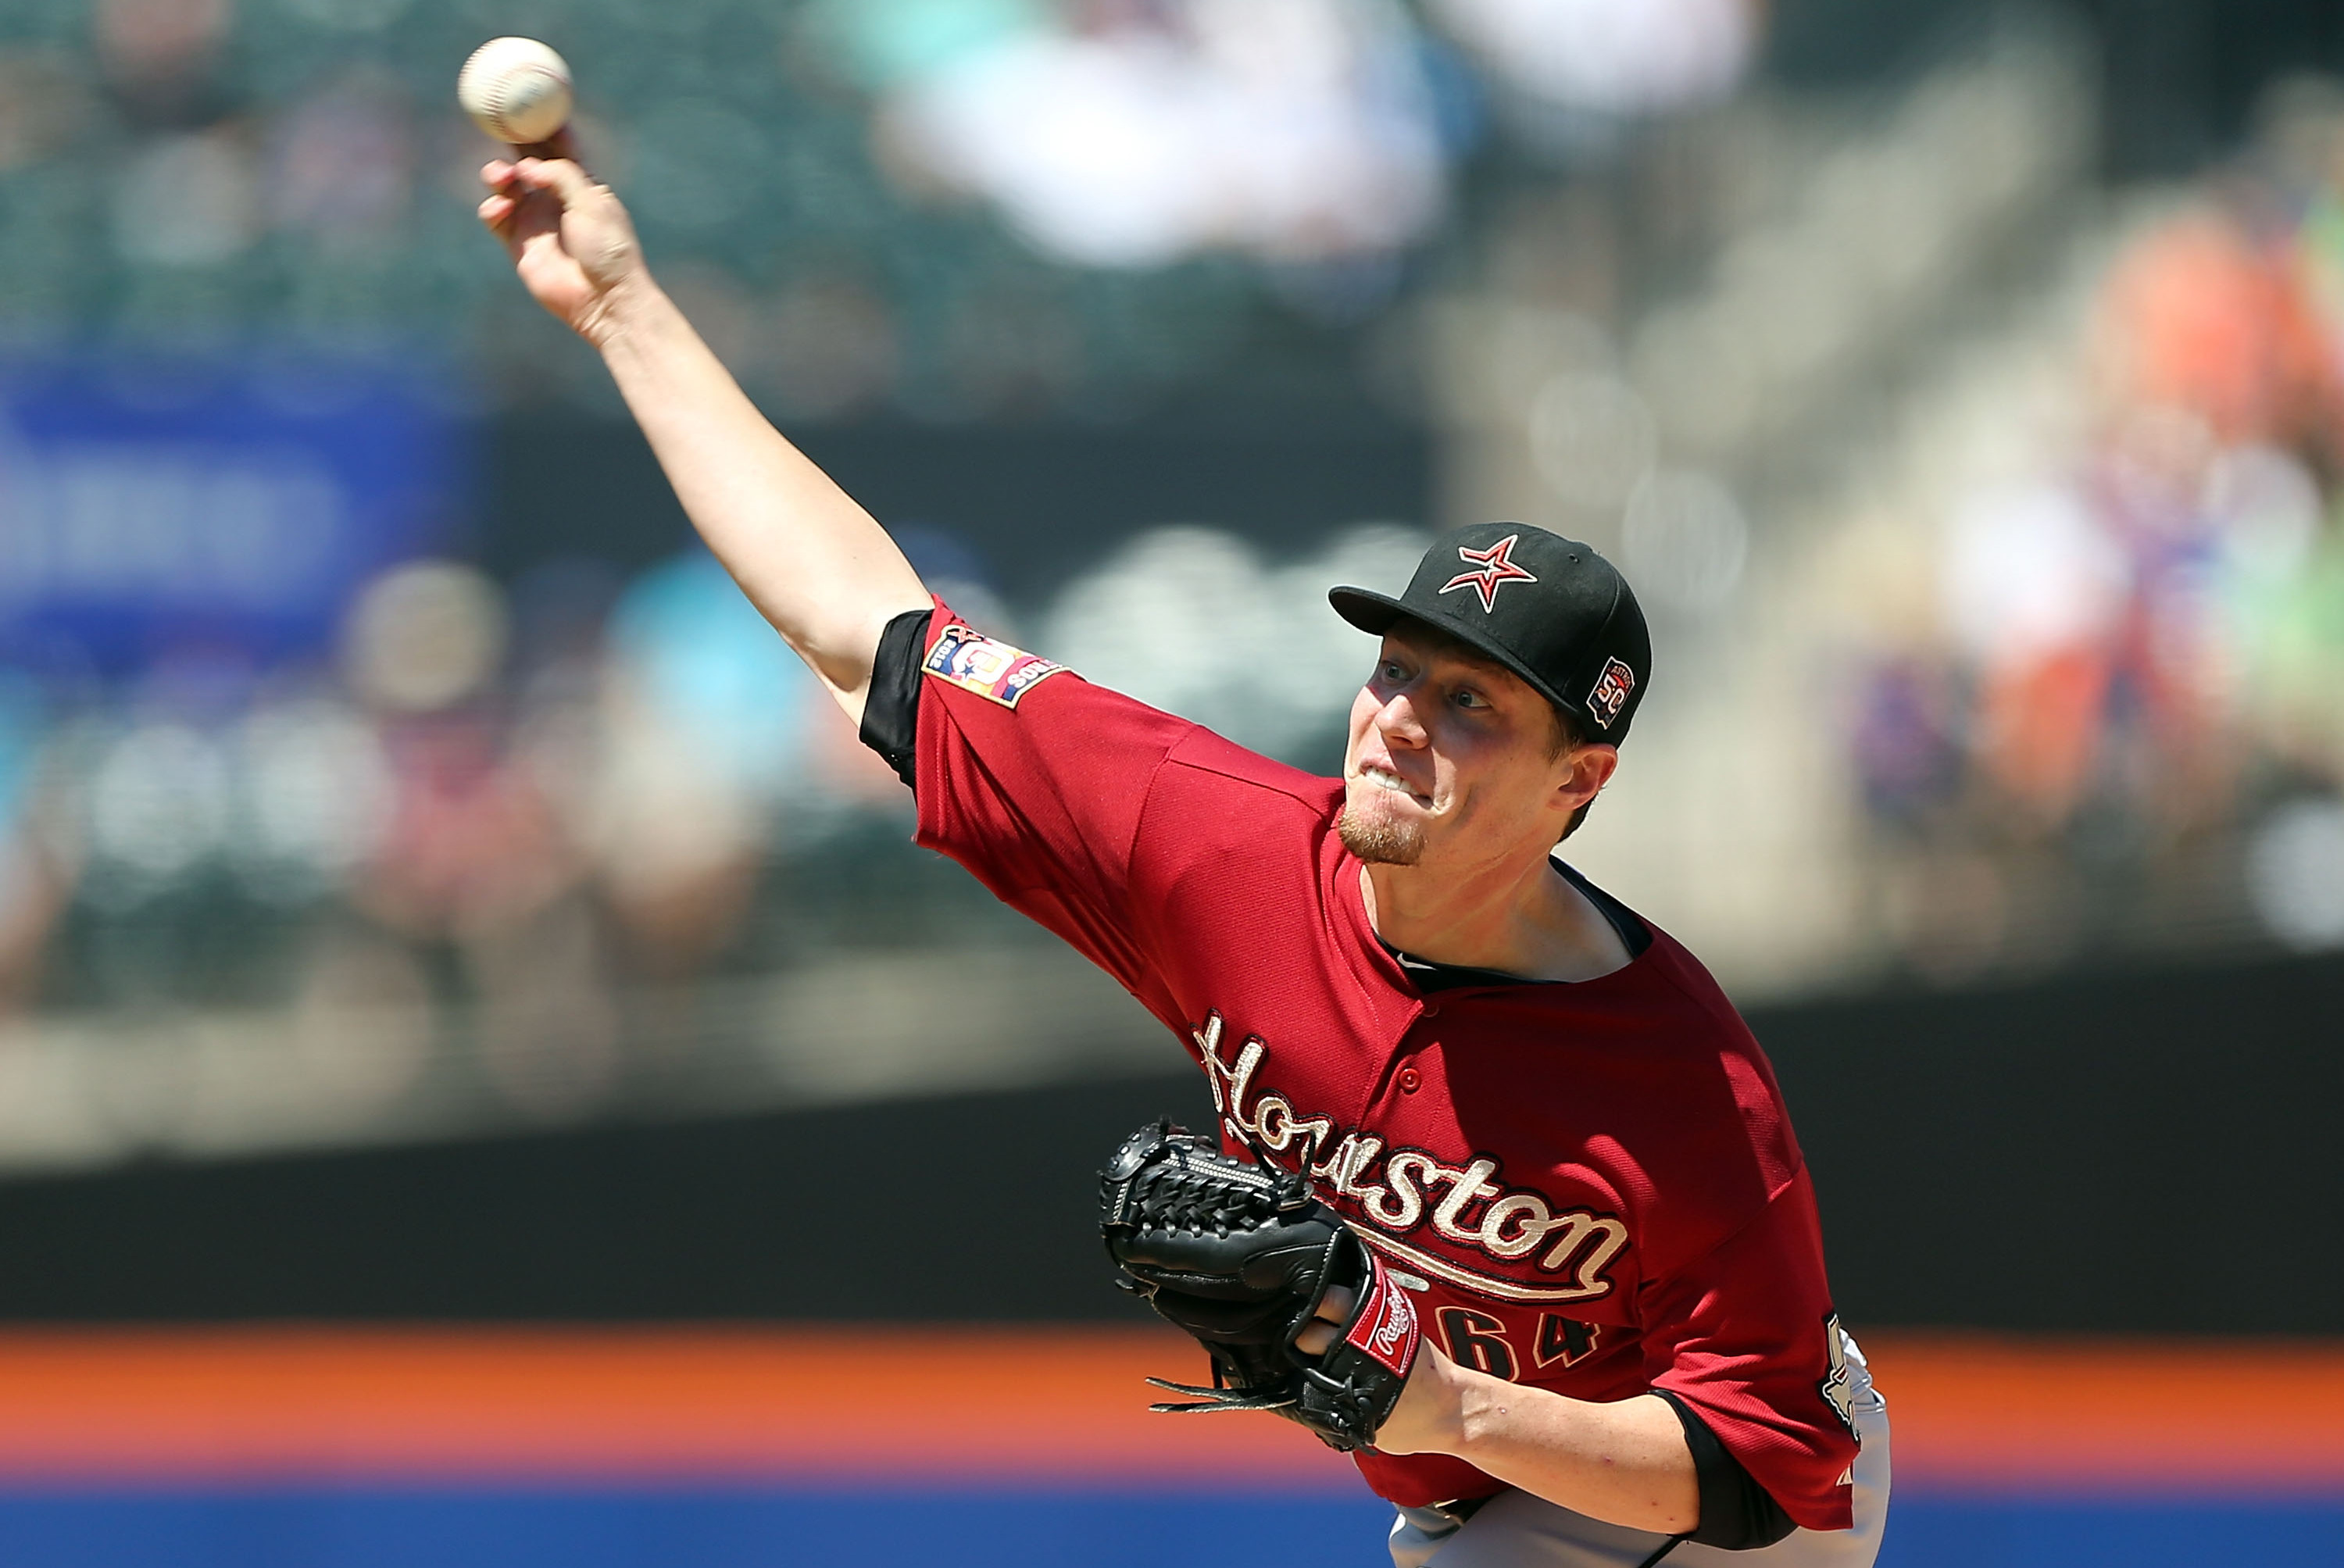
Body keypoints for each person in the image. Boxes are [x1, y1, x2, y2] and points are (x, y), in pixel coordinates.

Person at [477, 152, 1889, 1568]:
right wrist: (623, 312)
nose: (1399, 722)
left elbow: (1760, 1465)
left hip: (1696, 1522)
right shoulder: (1209, 843)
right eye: (1396, 671)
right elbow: (868, 631)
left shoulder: (1685, 1081)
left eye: (1472, 705)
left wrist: (1439, 1398)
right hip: (1467, 1491)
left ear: (1578, 780)